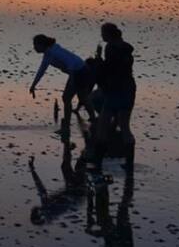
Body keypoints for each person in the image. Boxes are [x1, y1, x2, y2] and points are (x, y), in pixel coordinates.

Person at [29, 34, 93, 124]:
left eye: (35, 45)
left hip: (79, 71)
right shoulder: (48, 54)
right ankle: (93, 118)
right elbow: (41, 71)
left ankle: (67, 123)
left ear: (42, 44)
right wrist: (33, 85)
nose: (34, 48)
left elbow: (70, 63)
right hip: (79, 71)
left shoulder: (54, 52)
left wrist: (72, 80)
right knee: (82, 97)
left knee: (67, 98)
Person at [97, 22, 137, 164]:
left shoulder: (110, 48)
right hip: (129, 88)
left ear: (108, 34)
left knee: (102, 125)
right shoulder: (126, 48)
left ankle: (98, 160)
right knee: (125, 126)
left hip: (115, 89)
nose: (101, 36)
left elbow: (109, 69)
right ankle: (129, 162)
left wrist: (99, 60)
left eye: (103, 33)